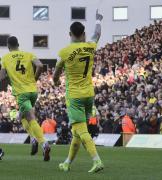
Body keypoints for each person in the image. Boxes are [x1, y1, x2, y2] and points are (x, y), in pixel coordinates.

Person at [53, 10, 104, 173]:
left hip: (74, 97)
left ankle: (97, 161)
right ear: (83, 34)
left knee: (81, 130)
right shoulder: (90, 46)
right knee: (77, 132)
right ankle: (67, 163)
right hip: (89, 94)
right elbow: (97, 34)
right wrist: (98, 20)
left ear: (70, 34)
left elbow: (56, 73)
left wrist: (56, 81)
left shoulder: (64, 52)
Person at [0, 36, 50, 161]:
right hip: (33, 91)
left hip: (22, 93)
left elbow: (1, 76)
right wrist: (34, 79)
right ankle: (33, 138)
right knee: (21, 116)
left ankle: (43, 143)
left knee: (30, 118)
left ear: (8, 46)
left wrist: (7, 80)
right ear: (18, 44)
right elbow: (40, 65)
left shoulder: (5, 58)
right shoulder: (28, 54)